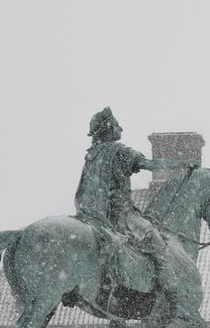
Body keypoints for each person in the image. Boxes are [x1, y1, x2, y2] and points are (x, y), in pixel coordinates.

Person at [74, 108, 195, 304]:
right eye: (116, 125)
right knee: (155, 238)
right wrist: (180, 165)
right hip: (118, 214)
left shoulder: (91, 155)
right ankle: (170, 287)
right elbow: (149, 164)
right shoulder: (118, 151)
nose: (120, 128)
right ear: (109, 129)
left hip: (91, 215)